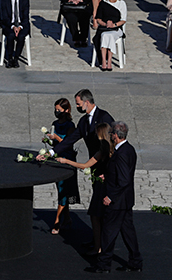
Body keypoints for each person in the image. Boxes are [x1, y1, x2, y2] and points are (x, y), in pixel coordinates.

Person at [42, 89, 114, 251]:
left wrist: (108, 170)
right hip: (95, 166)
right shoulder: (83, 122)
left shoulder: (104, 117)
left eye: (78, 103)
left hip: (105, 169)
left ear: (86, 102)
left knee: (101, 207)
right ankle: (97, 240)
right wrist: (51, 152)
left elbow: (112, 145)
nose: (77, 106)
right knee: (97, 206)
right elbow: (71, 140)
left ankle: (102, 243)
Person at [90, 121, 142, 274]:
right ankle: (135, 261)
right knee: (128, 232)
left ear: (116, 136)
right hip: (126, 200)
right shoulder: (129, 149)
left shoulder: (121, 154)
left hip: (117, 202)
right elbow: (122, 174)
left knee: (108, 232)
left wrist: (110, 196)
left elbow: (124, 180)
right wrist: (108, 176)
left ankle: (104, 264)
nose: (110, 135)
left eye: (112, 133)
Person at [56, 122, 113, 254]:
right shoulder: (111, 150)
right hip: (105, 185)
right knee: (101, 217)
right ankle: (100, 245)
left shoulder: (103, 151)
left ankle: (98, 246)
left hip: (102, 186)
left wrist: (66, 161)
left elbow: (85, 165)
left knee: (95, 215)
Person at [46, 98, 78, 235]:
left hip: (67, 159)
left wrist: (56, 138)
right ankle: (68, 218)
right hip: (57, 159)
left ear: (66, 110)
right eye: (55, 109)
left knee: (64, 188)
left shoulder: (70, 125)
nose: (57, 112)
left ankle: (57, 221)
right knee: (61, 189)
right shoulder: (55, 123)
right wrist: (48, 139)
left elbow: (68, 142)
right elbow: (55, 145)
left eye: (59, 110)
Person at [93, 0, 127, 71]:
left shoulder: (121, 3)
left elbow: (123, 20)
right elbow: (98, 18)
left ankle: (110, 60)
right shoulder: (103, 3)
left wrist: (114, 25)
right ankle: (104, 61)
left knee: (110, 36)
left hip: (116, 28)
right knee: (104, 35)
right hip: (104, 28)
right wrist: (105, 24)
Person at [0, 0, 29, 68]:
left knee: (21, 37)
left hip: (22, 25)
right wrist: (13, 27)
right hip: (9, 25)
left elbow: (26, 17)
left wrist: (19, 27)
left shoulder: (25, 0)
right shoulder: (5, 1)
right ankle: (9, 58)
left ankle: (16, 58)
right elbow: (4, 17)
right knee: (11, 36)